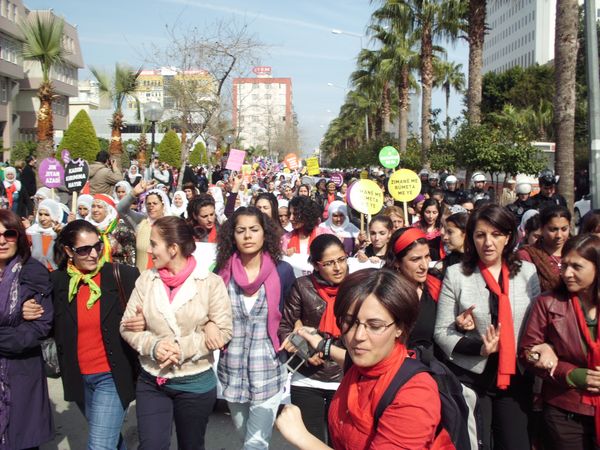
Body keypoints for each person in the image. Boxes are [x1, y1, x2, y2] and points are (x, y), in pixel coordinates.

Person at [276, 268, 441, 449]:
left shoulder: (415, 394)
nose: (358, 336)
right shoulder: (361, 366)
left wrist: (302, 437)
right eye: (350, 322)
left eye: (375, 326)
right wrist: (320, 344)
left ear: (399, 327)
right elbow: (347, 359)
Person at [434, 204, 541, 449]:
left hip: (516, 377)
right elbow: (441, 332)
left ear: (508, 237)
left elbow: (537, 325)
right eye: (480, 235)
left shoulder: (527, 272)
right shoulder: (456, 274)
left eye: (496, 234)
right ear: (471, 238)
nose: (488, 243)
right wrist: (476, 345)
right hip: (473, 378)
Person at [120, 216, 232, 450]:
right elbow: (126, 326)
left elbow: (223, 331)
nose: (149, 250)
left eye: (154, 244)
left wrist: (181, 348)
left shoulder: (210, 283)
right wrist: (153, 346)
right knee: (151, 446)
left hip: (195, 383)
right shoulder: (146, 280)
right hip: (152, 381)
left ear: (173, 248)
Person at [48, 219, 141, 450]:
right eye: (84, 249)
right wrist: (30, 310)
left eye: (97, 246)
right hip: (78, 377)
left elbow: (152, 309)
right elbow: (48, 325)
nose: (93, 254)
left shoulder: (123, 275)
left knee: (100, 445)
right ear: (69, 251)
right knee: (109, 439)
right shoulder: (57, 282)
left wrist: (144, 321)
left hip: (111, 376)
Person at [215, 206, 295, 449]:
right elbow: (209, 311)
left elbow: (293, 314)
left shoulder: (282, 271)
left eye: (254, 229)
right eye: (241, 230)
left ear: (265, 233)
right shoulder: (222, 272)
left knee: (255, 444)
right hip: (232, 370)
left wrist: (296, 329)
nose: (248, 236)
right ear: (232, 236)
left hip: (268, 369)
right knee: (245, 438)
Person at [520, 234, 600, 449]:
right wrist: (570, 374)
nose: (567, 273)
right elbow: (527, 353)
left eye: (577, 267)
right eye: (564, 265)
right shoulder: (548, 302)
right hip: (565, 409)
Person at [279, 234, 348, 443]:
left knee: (342, 443)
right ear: (316, 265)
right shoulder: (302, 287)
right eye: (329, 263)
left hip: (344, 378)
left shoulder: (357, 287)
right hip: (307, 378)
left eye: (342, 259)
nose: (338, 267)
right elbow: (285, 326)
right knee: (309, 442)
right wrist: (305, 351)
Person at [0, 210, 54, 449]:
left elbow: (39, 327)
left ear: (19, 237)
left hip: (21, 372)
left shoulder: (33, 272)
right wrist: (14, 314)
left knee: (21, 441)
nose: (2, 241)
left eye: (9, 234)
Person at [117, 180, 171, 272]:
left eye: (155, 203)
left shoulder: (172, 224)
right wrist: (134, 193)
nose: (151, 206)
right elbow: (121, 209)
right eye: (148, 203)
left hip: (165, 277)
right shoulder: (141, 221)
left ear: (163, 205)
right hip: (142, 277)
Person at [518, 205, 571, 293]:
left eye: (564, 229)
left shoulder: (577, 252)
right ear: (542, 229)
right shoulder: (527, 256)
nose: (559, 235)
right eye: (553, 230)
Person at [27, 198, 64, 271]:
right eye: (40, 214)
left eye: (47, 215)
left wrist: (60, 235)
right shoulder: (32, 231)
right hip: (35, 271)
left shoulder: (61, 232)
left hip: (55, 272)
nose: (42, 218)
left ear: (54, 215)